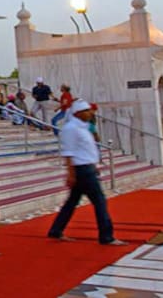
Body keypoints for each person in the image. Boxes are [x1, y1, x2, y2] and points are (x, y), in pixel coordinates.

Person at [47, 100, 126, 246]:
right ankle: (106, 236)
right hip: (82, 170)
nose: (90, 113)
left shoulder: (83, 128)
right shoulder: (71, 128)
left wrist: (93, 164)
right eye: (87, 110)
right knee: (99, 201)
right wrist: (71, 174)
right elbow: (68, 152)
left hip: (86, 167)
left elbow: (85, 149)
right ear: (78, 113)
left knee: (72, 202)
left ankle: (56, 230)